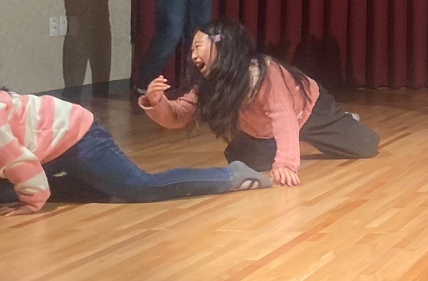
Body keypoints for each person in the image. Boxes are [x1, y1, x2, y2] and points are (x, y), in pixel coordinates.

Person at [139, 19, 379, 186]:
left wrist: (286, 165)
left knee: (366, 146)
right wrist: (157, 103)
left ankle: (346, 121)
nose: (193, 55)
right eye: (191, 49)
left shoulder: (262, 72)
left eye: (198, 47)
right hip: (263, 130)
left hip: (307, 111)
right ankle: (289, 143)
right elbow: (179, 115)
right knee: (243, 161)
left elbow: (283, 117)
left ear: (222, 48)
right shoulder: (208, 83)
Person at [2, 87, 269, 215]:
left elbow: (20, 163)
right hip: (47, 146)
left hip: (80, 137)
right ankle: (99, 185)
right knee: (11, 189)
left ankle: (230, 176)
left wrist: (30, 203)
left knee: (139, 187)